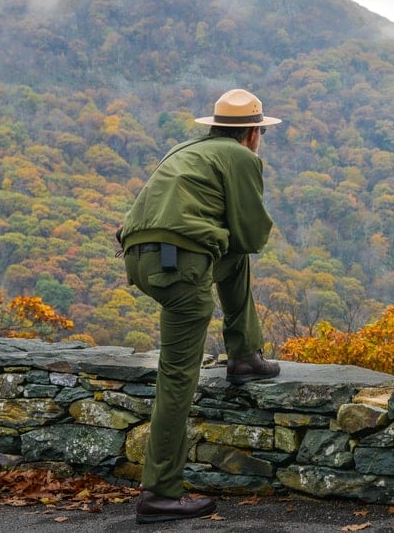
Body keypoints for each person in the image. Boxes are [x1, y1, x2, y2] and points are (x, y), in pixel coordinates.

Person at [118, 88, 283, 524]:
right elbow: (251, 235)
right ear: (251, 133)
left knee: (230, 259)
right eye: (260, 132)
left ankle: (244, 353)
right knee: (176, 376)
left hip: (141, 256)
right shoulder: (242, 158)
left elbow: (233, 250)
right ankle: (160, 493)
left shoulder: (187, 149)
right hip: (180, 263)